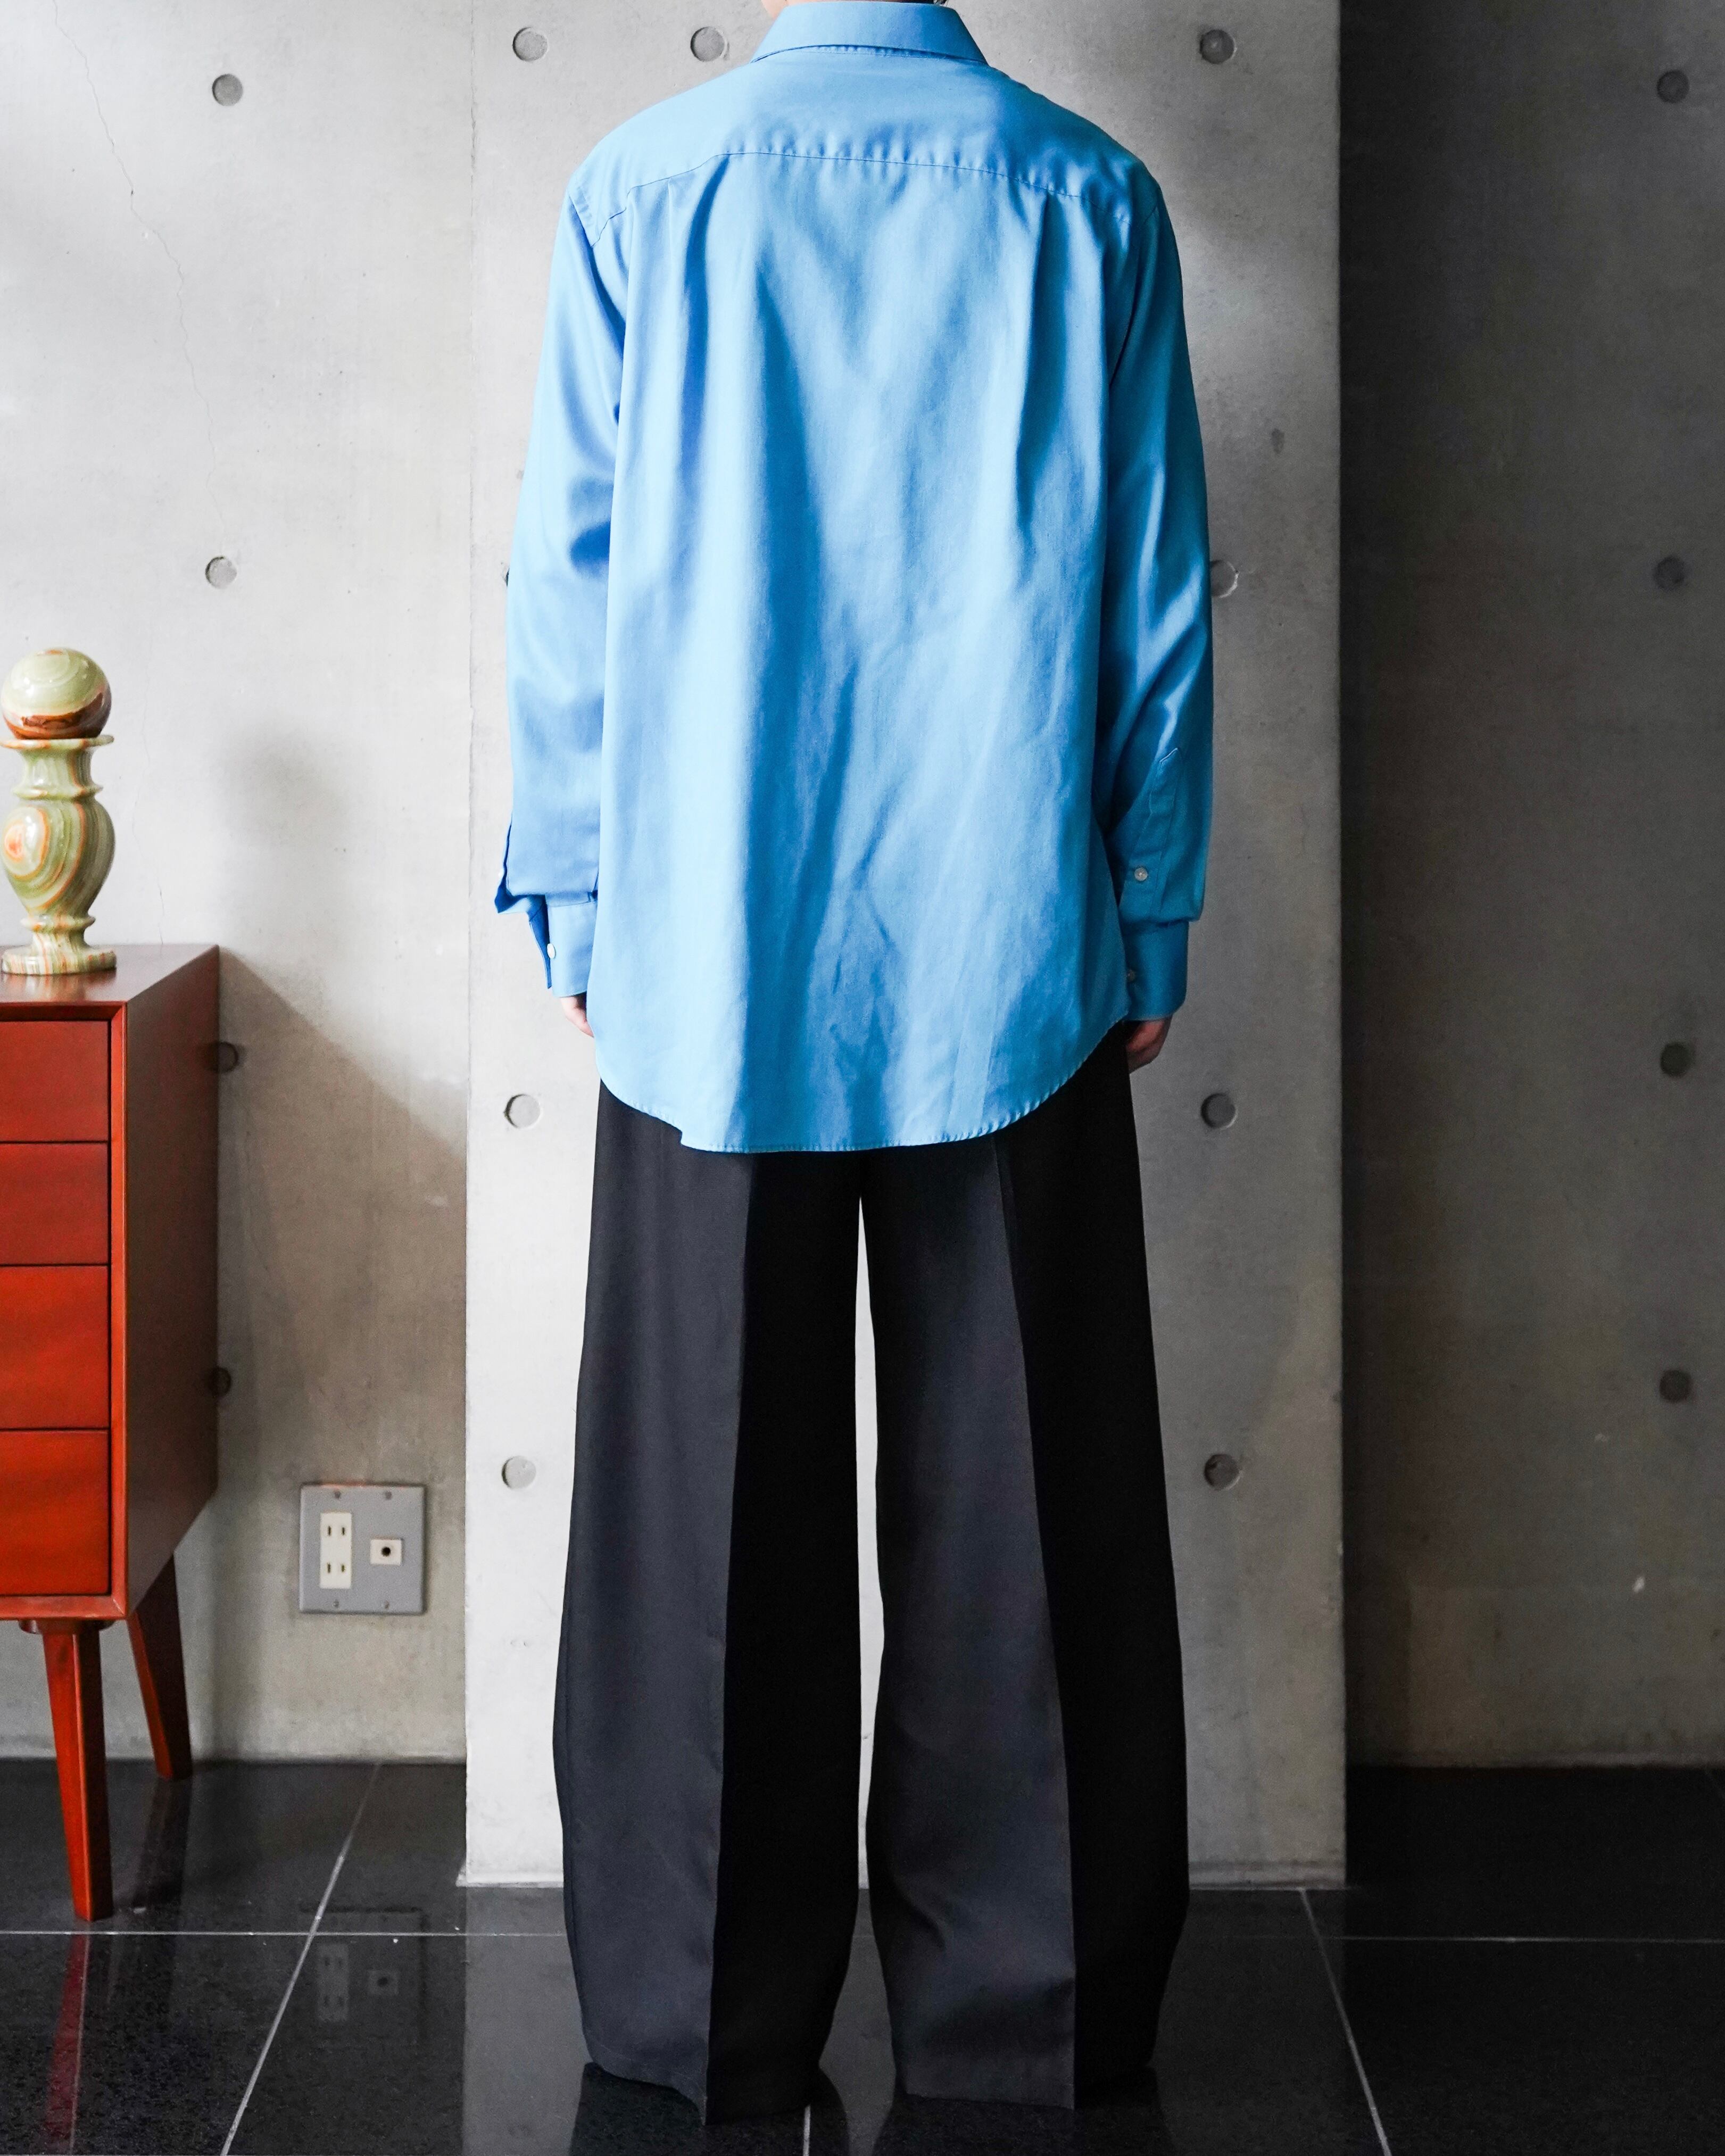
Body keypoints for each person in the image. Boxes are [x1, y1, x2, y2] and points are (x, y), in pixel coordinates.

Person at [499, 0, 1212, 2123]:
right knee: (1028, 1495)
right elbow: (1157, 587)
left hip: (708, 937)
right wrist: (1145, 895)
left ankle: (697, 2006)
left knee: (701, 1498)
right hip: (1012, 932)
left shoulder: (642, 188)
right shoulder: (1088, 196)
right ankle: (1031, 2006)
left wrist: (579, 895)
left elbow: (567, 574)